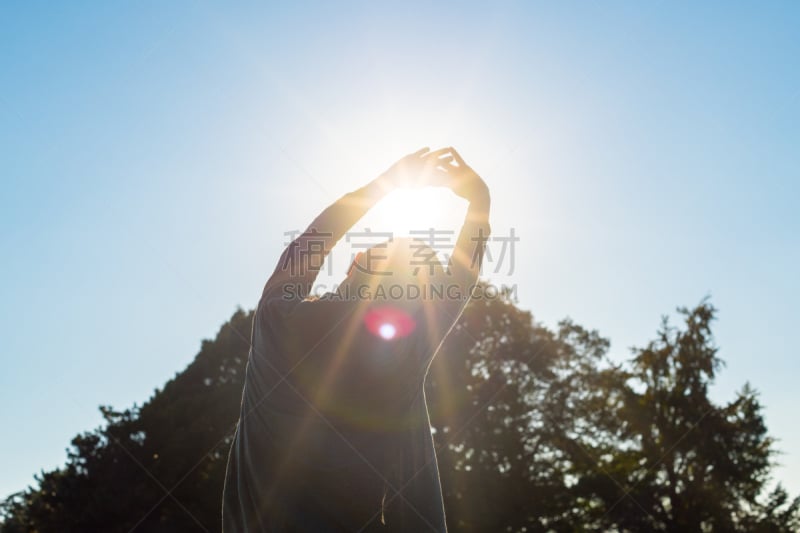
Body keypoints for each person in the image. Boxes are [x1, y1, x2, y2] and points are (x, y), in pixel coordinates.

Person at [222, 147, 491, 532]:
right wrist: (480, 202)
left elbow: (312, 242)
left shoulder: (276, 320)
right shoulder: (406, 351)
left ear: (354, 263)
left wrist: (383, 185)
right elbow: (464, 276)